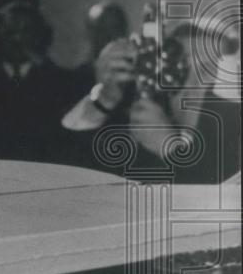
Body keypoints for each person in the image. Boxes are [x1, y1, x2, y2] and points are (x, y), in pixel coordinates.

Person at [62, 20, 241, 183]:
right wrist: (105, 98)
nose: (193, 79)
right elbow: (66, 164)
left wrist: (170, 149)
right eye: (182, 63)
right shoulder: (138, 110)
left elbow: (223, 202)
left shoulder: (234, 125)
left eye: (207, 66)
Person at [0, 1, 86, 164]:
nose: (16, 39)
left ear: (40, 34)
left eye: (25, 31)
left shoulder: (59, 80)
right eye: (10, 31)